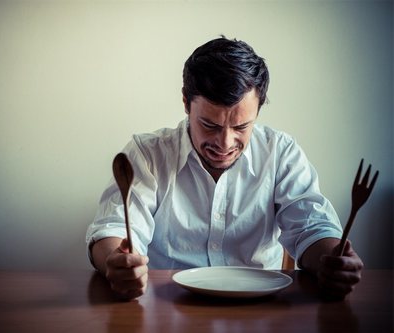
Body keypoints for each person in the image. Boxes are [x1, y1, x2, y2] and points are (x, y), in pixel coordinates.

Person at [85, 36, 363, 300]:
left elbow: (311, 227)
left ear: (258, 109)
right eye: (210, 125)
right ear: (186, 102)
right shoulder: (147, 154)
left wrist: (331, 261)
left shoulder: (280, 152)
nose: (225, 142)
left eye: (241, 126)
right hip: (165, 306)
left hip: (263, 311)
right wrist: (115, 262)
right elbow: (114, 227)